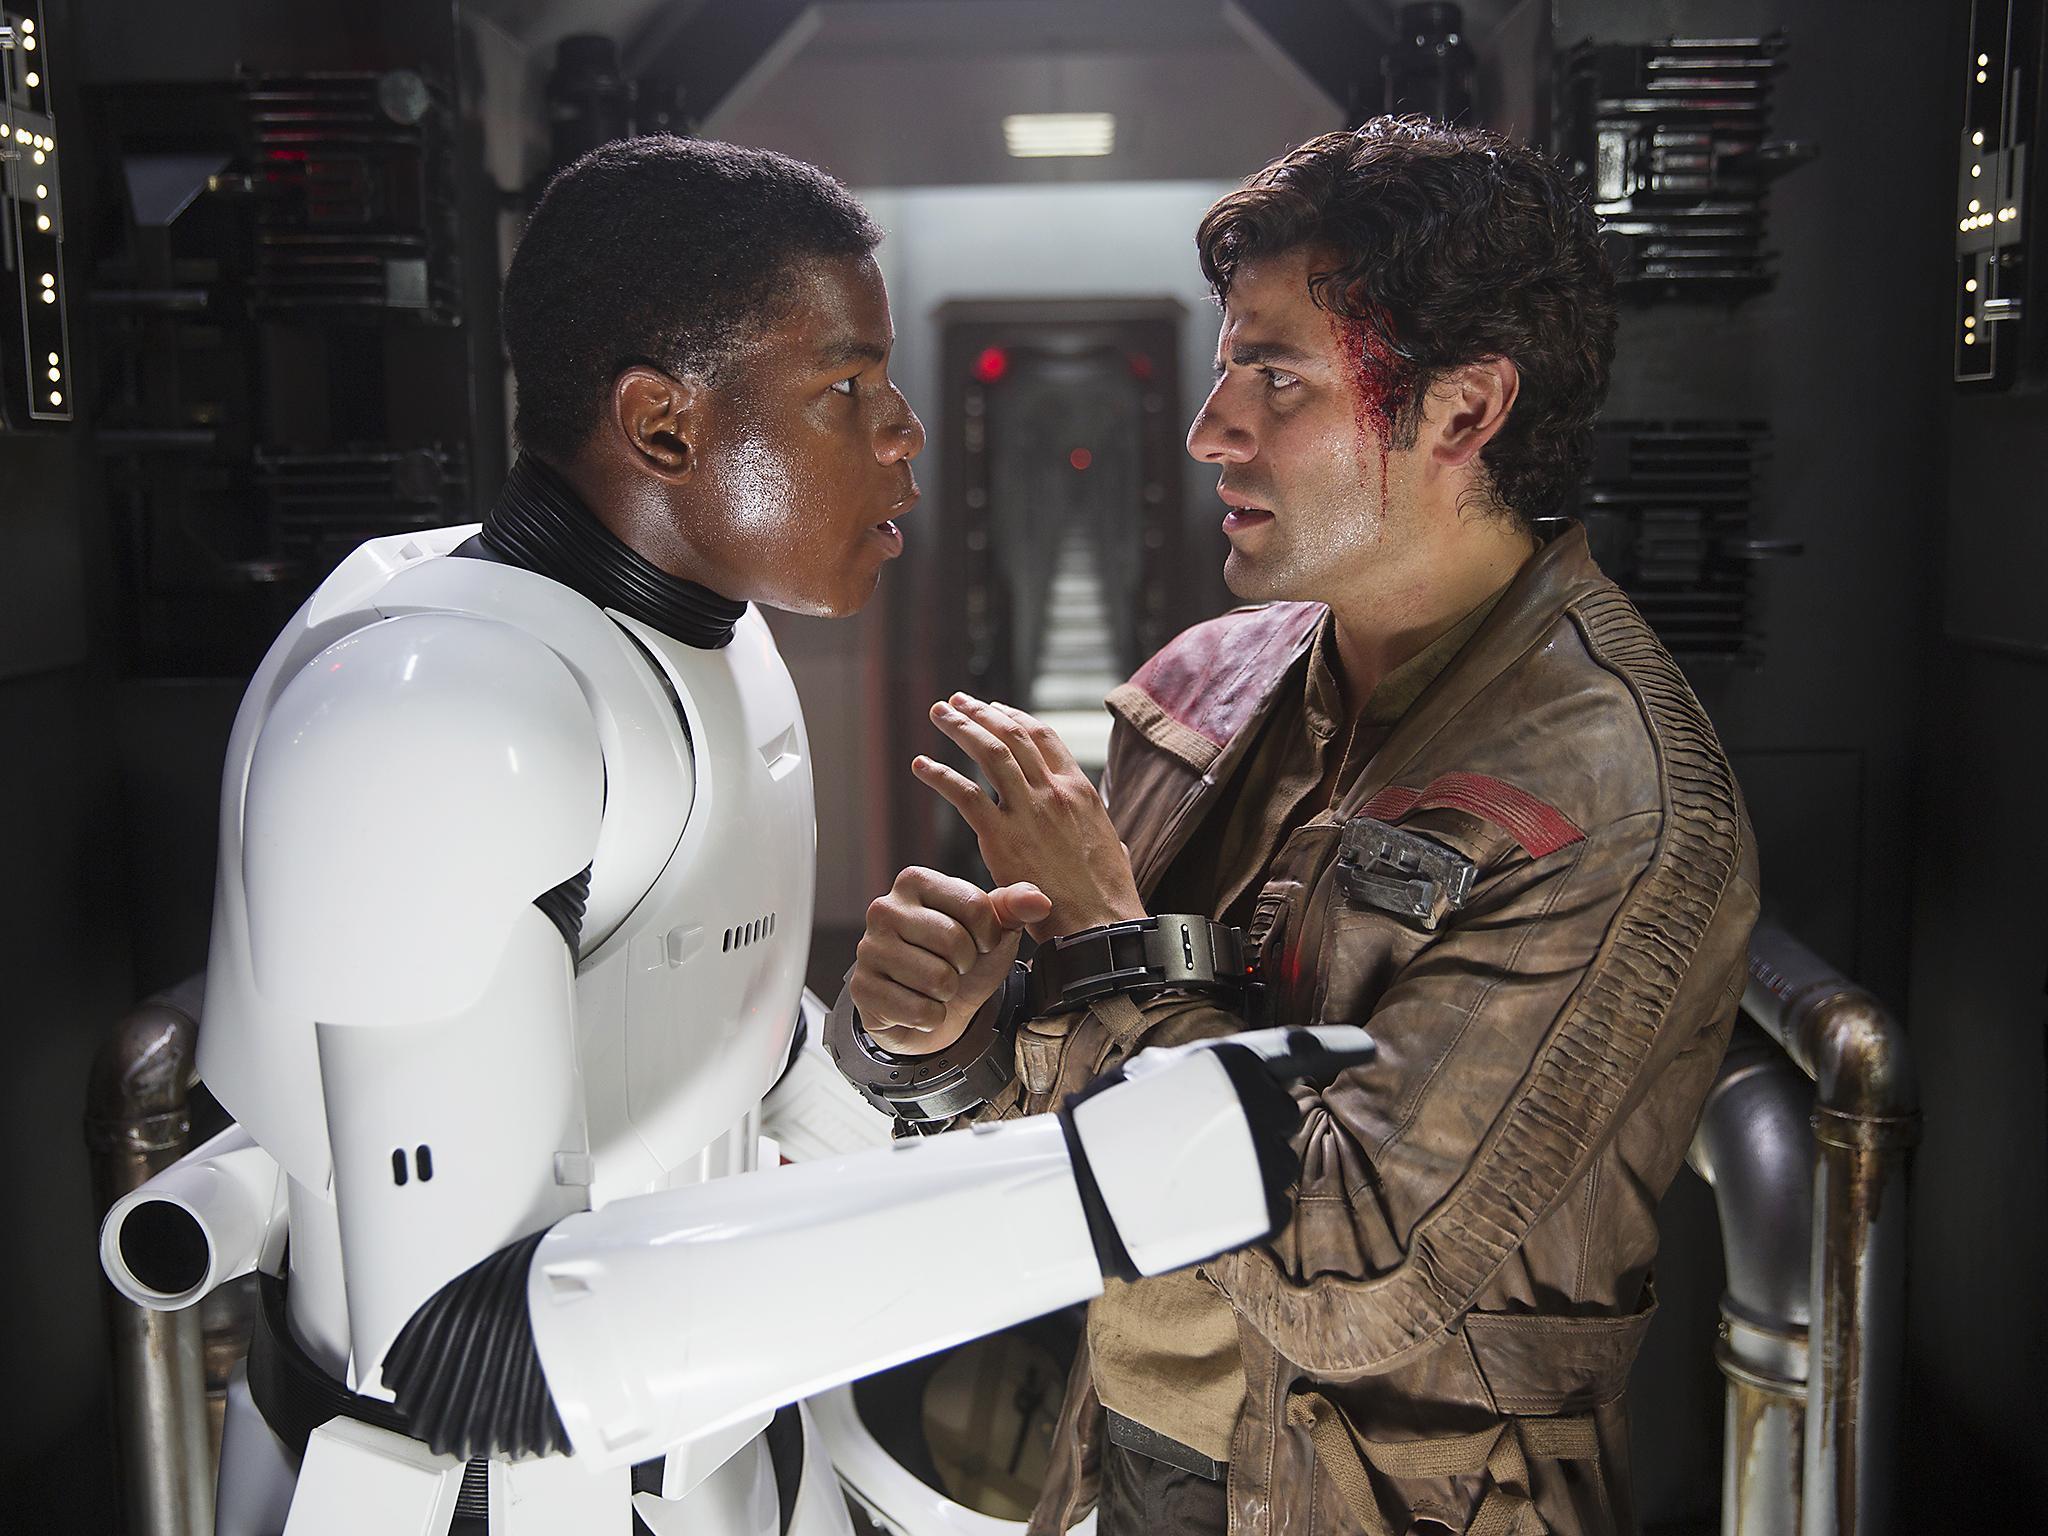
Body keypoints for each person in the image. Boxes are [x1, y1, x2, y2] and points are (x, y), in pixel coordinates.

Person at [100, 135, 1335, 1536]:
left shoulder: (704, 639)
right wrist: (1112, 1191)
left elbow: (714, 1055)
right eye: (848, 384)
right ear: (665, 427)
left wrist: (906, 1081)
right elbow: (461, 1347)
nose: (903, 430)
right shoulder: (439, 718)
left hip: (728, 1450)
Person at [847, 118, 1759, 1536]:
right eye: (1225, 374)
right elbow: (1079, 1084)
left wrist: (1102, 937)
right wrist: (949, 1038)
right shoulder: (1215, 682)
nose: (1213, 428)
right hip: (1133, 1456)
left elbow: (1352, 1276)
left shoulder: (1606, 796)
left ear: (1464, 413)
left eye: (1277, 379)